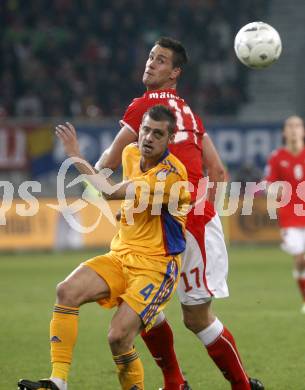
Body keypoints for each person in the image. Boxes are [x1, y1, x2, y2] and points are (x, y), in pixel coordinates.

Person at [95, 37, 264, 390]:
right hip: (189, 223)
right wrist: (202, 214)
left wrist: (96, 181)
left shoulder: (143, 107)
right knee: (144, 305)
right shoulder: (189, 114)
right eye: (150, 57)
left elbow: (107, 161)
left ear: (175, 73)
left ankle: (238, 385)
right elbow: (217, 172)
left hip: (181, 227)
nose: (150, 63)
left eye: (160, 60)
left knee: (195, 317)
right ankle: (177, 383)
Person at [18, 105, 191, 390]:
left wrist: (74, 154)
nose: (148, 137)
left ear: (169, 138)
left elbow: (110, 191)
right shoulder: (131, 153)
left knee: (118, 337)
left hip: (156, 267)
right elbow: (129, 196)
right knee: (66, 290)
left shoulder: (170, 176)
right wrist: (130, 212)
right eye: (145, 129)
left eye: (157, 134)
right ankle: (58, 381)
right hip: (121, 255)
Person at [265, 115, 305, 313]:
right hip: (290, 217)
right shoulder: (277, 157)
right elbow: (268, 184)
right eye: (290, 126)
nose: (294, 129)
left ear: (303, 131)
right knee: (300, 259)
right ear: (284, 132)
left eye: (297, 125)